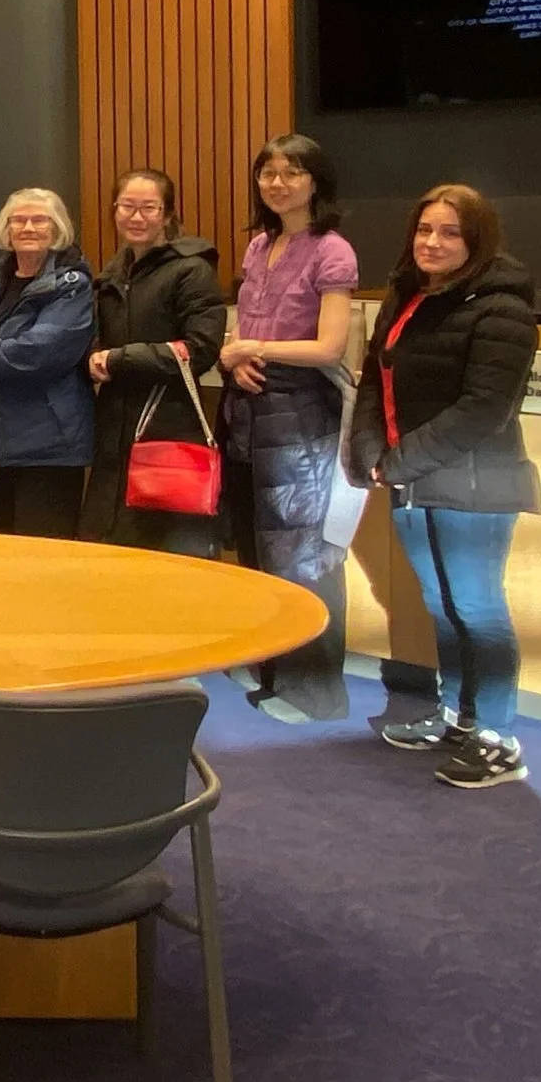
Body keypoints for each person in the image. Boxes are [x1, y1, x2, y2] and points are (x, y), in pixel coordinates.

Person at [349, 183, 541, 789]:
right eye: (425, 229)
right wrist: (371, 453)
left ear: (477, 241)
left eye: (450, 233)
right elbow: (375, 381)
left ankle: (497, 738)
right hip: (413, 479)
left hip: (476, 484)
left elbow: (486, 408)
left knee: (478, 609)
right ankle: (458, 716)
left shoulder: (502, 308)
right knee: (442, 605)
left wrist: (399, 461)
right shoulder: (410, 295)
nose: (432, 242)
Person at [217, 136, 361, 724]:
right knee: (255, 543)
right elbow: (245, 328)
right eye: (268, 174)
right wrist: (237, 354)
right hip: (251, 406)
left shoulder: (333, 250)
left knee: (306, 554)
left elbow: (330, 345)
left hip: (305, 414)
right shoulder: (259, 244)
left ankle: (315, 689)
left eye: (292, 173)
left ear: (315, 181)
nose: (277, 184)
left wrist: (254, 347)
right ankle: (271, 664)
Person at [77, 169, 225, 558]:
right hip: (113, 435)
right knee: (111, 562)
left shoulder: (193, 270)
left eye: (148, 208)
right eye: (127, 206)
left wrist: (120, 359)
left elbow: (200, 350)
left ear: (168, 214)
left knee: (168, 564)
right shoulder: (112, 273)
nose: (136, 217)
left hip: (168, 434)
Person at [0, 187, 95, 538]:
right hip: (0, 443)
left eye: (39, 220)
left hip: (50, 445)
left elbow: (38, 351)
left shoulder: (72, 284)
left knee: (45, 561)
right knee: (6, 556)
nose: (28, 228)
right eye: (19, 220)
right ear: (7, 229)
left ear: (57, 228)